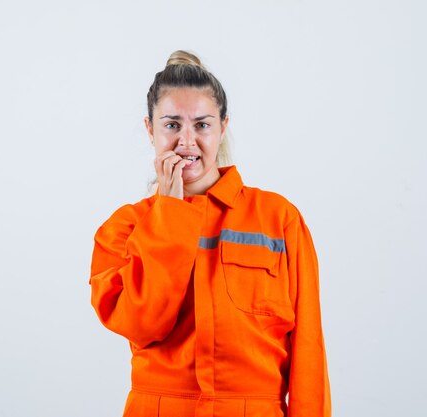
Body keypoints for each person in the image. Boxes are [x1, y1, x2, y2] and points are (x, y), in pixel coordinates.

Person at [89, 50, 331, 417]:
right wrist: (169, 214)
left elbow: (309, 350)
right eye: (172, 125)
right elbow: (142, 324)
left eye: (202, 125)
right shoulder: (123, 227)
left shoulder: (278, 218)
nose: (187, 142)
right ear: (149, 129)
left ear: (222, 127)